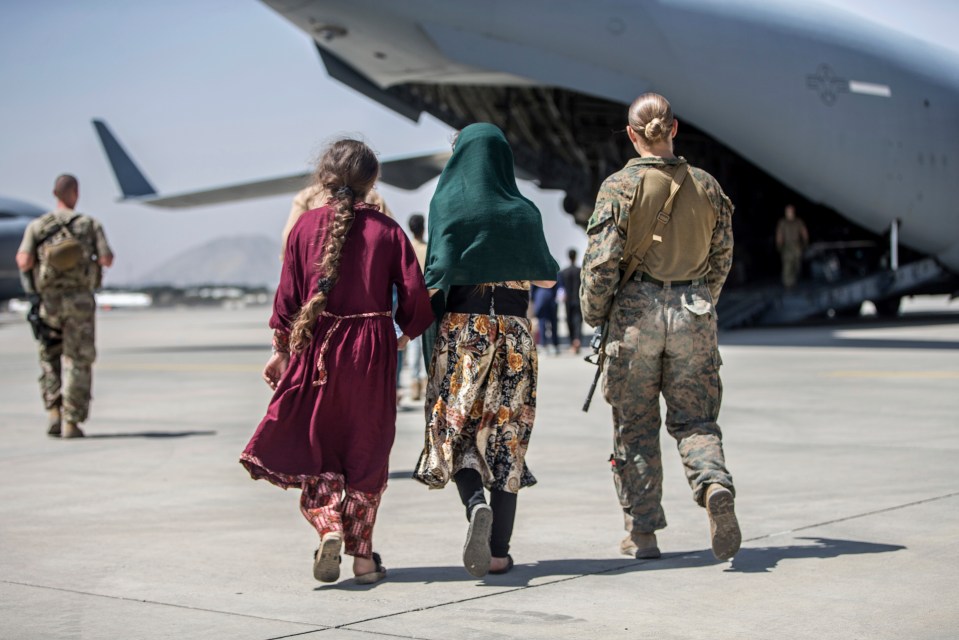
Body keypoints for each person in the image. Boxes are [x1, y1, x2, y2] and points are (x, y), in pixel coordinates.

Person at [240, 139, 433, 585]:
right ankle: (363, 559)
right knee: (366, 450)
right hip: (371, 351)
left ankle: (327, 525)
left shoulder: (304, 229)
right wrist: (402, 335)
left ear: (323, 177)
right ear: (373, 181)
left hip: (317, 347)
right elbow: (416, 301)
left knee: (317, 443)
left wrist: (280, 351)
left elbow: (286, 301)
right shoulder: (388, 231)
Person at [580, 93, 741, 562]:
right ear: (675, 128)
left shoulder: (618, 187)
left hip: (635, 318)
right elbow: (722, 258)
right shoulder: (708, 187)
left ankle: (643, 533)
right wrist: (700, 299)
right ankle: (713, 485)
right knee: (696, 420)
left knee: (635, 427)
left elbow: (602, 263)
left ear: (632, 134)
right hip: (693, 312)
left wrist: (596, 314)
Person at [412, 123, 559, 577]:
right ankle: (498, 552)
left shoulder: (447, 204)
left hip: (464, 334)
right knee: (506, 438)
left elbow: (436, 275)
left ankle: (475, 503)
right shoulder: (524, 211)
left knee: (456, 428)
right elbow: (549, 278)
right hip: (514, 335)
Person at [15, 174, 114, 439]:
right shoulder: (89, 224)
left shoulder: (38, 226)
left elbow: (23, 261)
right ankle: (72, 420)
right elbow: (106, 259)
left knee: (50, 358)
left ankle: (53, 412)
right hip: (80, 302)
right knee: (78, 360)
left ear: (54, 193)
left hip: (49, 303)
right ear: (76, 193)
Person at [280, 183, 392, 260]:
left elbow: (288, 241)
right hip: (369, 284)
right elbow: (392, 239)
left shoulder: (306, 197)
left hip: (317, 286)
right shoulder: (372, 196)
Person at [405, 213, 428, 401]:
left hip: (411, 300)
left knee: (413, 343)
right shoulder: (428, 249)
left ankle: (414, 382)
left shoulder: (407, 248)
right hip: (428, 300)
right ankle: (424, 378)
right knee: (426, 343)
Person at [775, 204, 809, 288]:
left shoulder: (798, 221)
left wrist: (805, 243)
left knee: (797, 266)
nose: (789, 213)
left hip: (797, 246)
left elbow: (804, 232)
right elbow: (779, 235)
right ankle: (788, 284)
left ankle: (795, 281)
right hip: (787, 247)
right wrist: (779, 245)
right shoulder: (782, 222)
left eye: (790, 211)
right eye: (787, 211)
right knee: (787, 266)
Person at [558, 248, 583, 353]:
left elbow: (561, 288)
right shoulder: (580, 271)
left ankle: (573, 341)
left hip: (568, 301)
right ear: (576, 256)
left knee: (569, 321)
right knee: (578, 321)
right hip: (578, 299)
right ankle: (577, 340)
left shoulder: (564, 272)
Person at [531, 282, 560, 355]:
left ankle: (543, 344)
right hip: (551, 296)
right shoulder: (552, 272)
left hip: (540, 297)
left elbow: (532, 287)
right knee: (553, 323)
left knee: (542, 323)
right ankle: (555, 344)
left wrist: (533, 299)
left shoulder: (536, 273)